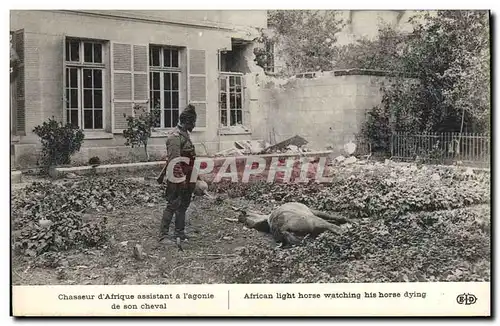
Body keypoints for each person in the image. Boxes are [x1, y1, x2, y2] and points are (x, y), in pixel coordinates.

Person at [160, 104, 197, 244]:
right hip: (177, 177)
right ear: (187, 121)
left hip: (188, 176)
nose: (194, 124)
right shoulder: (175, 137)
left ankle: (179, 233)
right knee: (173, 204)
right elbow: (174, 161)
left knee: (184, 205)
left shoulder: (184, 134)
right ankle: (163, 235)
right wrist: (181, 180)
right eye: (192, 121)